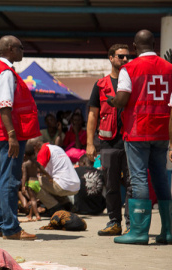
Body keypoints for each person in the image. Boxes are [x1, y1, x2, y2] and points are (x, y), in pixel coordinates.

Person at [108, 30, 172, 245]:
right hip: (162, 130)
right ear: (154, 44)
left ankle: (139, 232)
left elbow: (123, 98)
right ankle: (168, 231)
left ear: (135, 46)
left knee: (138, 178)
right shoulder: (169, 68)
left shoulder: (130, 68)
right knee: (161, 178)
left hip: (137, 130)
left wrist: (113, 101)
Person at [0, 35, 41, 240]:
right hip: (10, 133)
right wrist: (12, 135)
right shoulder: (5, 72)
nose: (22, 51)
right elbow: (4, 106)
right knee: (10, 180)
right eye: (20, 47)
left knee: (1, 179)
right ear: (10, 49)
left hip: (5, 133)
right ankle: (10, 228)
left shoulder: (0, 71)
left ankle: (0, 225)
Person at [86, 44, 132, 236]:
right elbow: (92, 115)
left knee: (132, 185)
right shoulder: (100, 85)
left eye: (127, 57)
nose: (125, 60)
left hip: (131, 142)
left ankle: (133, 224)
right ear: (111, 58)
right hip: (108, 144)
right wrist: (90, 143)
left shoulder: (132, 82)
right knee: (111, 185)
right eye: (120, 56)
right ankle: (114, 222)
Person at [31, 137, 81, 215]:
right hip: (75, 186)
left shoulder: (43, 150)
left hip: (63, 186)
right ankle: (67, 204)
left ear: (35, 147)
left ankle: (53, 207)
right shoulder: (56, 148)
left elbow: (37, 169)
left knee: (32, 182)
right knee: (49, 182)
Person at [21, 142, 41, 221]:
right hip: (36, 182)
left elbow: (24, 176)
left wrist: (23, 186)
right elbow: (42, 170)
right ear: (34, 154)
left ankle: (37, 215)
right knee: (34, 199)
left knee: (33, 200)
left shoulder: (25, 164)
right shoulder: (36, 163)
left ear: (24, 155)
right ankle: (30, 215)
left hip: (30, 183)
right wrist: (49, 177)